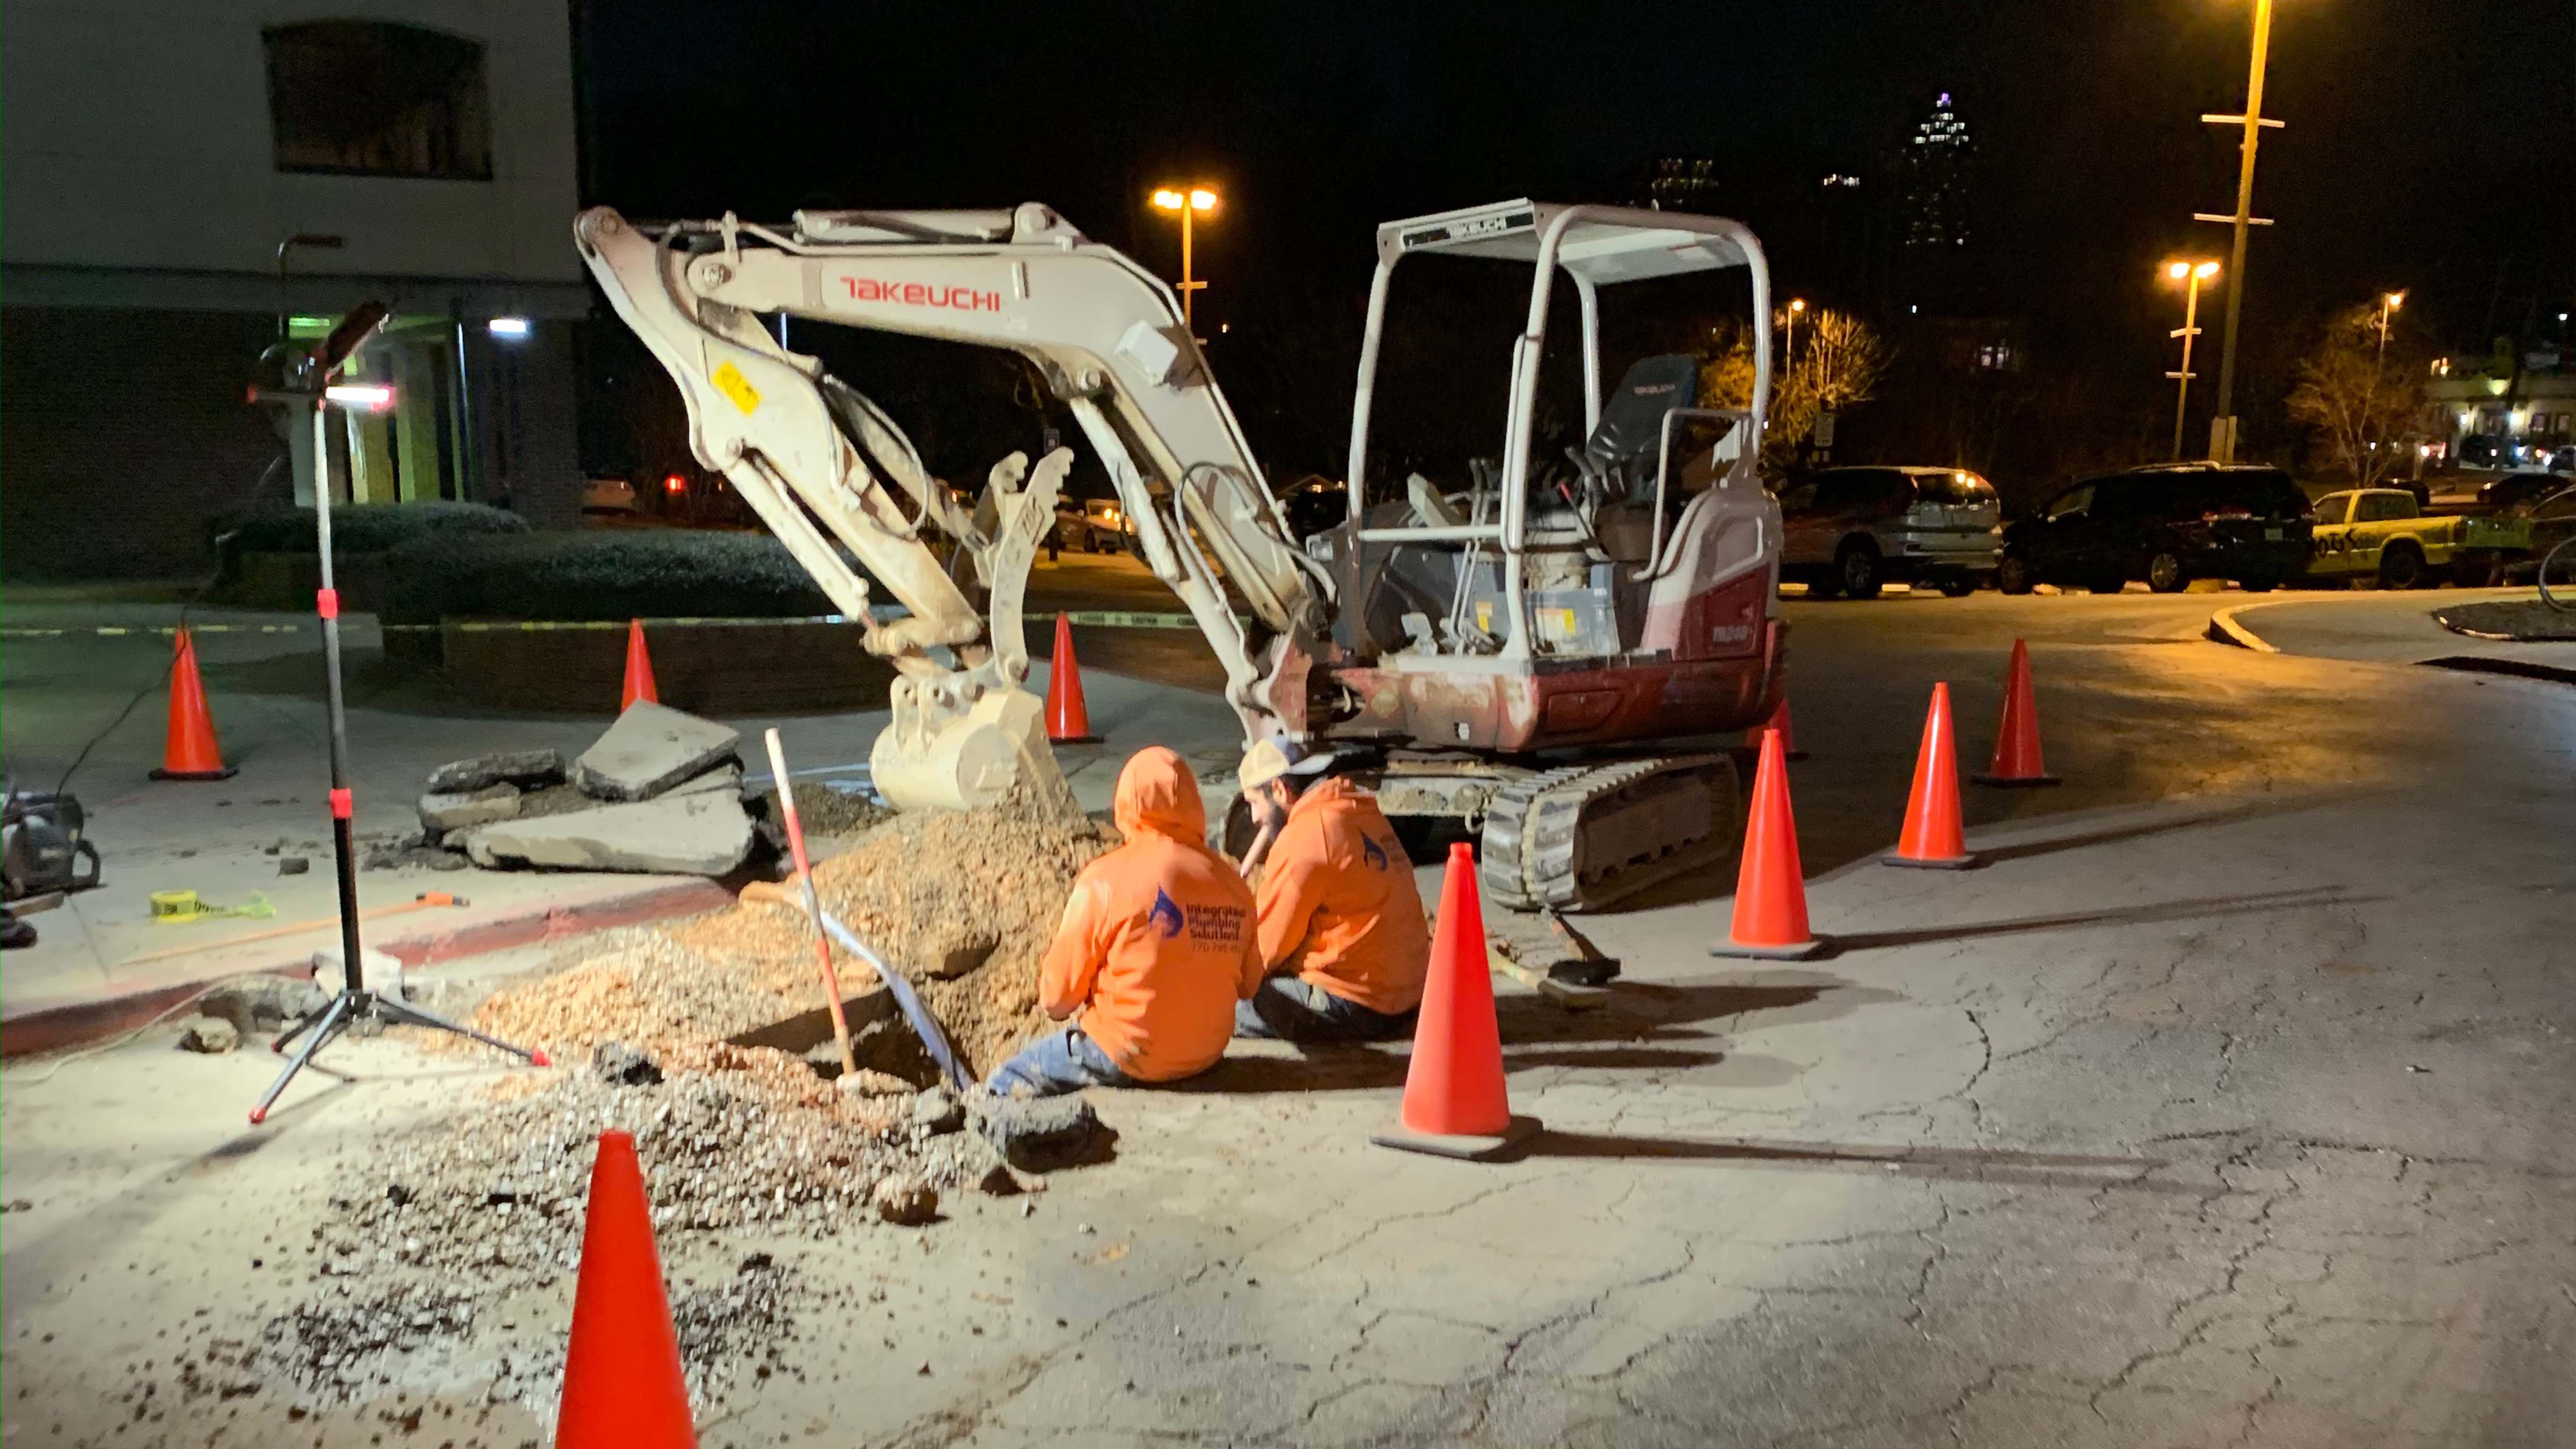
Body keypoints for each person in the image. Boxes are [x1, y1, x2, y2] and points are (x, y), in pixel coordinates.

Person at [984, 746, 1263, 1097]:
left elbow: (1056, 999)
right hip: (1206, 1054)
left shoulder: (1106, 879)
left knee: (1004, 1081)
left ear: (1127, 803)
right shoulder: (1233, 884)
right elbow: (1250, 986)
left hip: (1126, 1053)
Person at [1234, 740, 1430, 1042]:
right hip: (1409, 997)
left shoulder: (1309, 834)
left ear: (1279, 790)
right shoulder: (1359, 811)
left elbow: (1264, 952)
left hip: (1361, 1005)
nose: (1255, 818)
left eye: (1253, 803)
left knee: (1220, 1003)